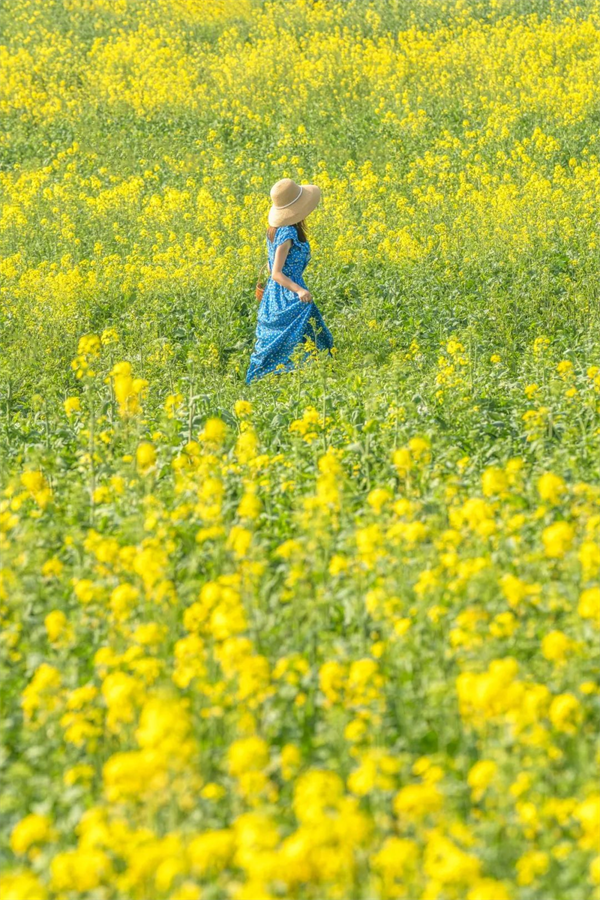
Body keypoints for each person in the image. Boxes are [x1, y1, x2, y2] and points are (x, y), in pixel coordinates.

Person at [245, 177, 334, 384]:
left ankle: (290, 375)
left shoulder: (274, 230)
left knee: (285, 336)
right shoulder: (287, 233)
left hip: (276, 294)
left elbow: (270, 265)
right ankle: (316, 373)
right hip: (288, 293)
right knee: (310, 330)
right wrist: (299, 290)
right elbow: (275, 272)